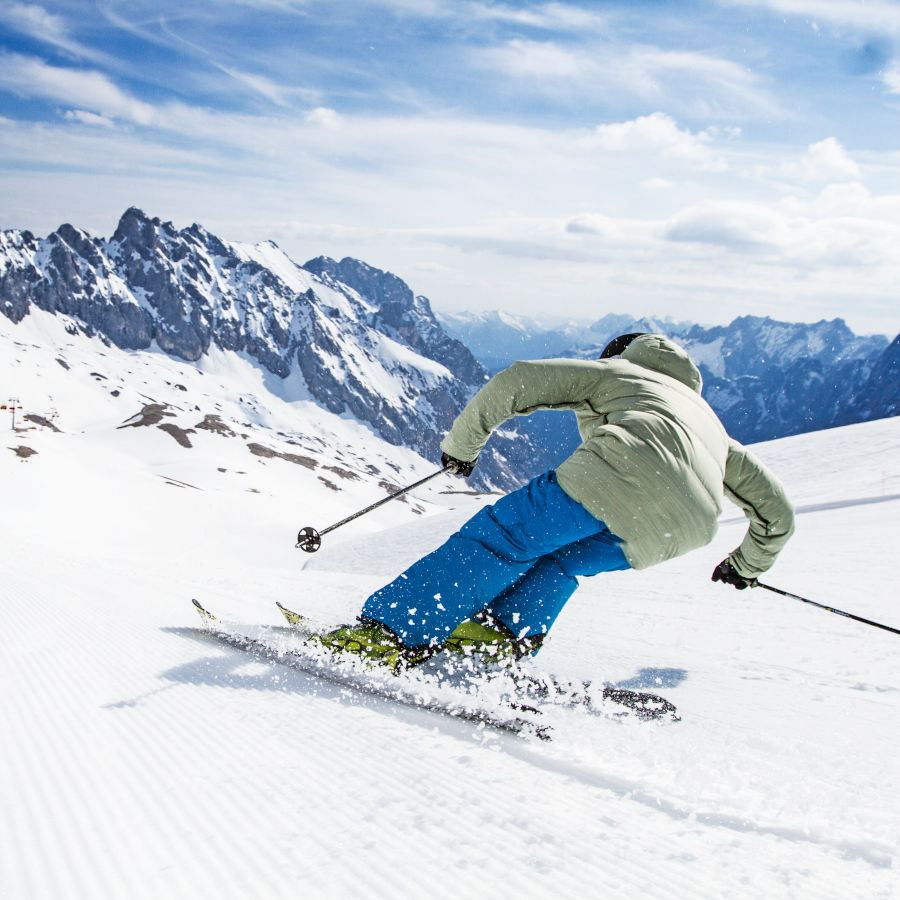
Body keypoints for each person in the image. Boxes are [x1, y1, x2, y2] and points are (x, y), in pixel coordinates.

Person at [313, 333, 795, 670]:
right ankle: (497, 639)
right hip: (683, 530)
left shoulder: (624, 375)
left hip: (616, 476)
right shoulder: (707, 421)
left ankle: (388, 635)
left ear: (622, 354)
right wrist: (746, 566)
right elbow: (777, 512)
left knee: (500, 542)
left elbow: (519, 380)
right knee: (562, 563)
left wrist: (462, 448)